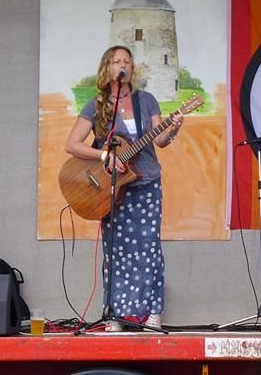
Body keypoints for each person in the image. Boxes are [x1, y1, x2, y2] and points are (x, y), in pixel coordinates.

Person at [65, 45, 183, 330]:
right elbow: (72, 144)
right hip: (112, 188)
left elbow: (160, 140)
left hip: (146, 184)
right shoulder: (97, 105)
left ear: (133, 68)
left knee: (149, 248)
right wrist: (105, 155)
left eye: (127, 61)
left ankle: (152, 313)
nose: (123, 65)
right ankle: (115, 315)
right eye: (117, 61)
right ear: (108, 68)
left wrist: (173, 129)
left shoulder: (147, 101)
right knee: (116, 251)